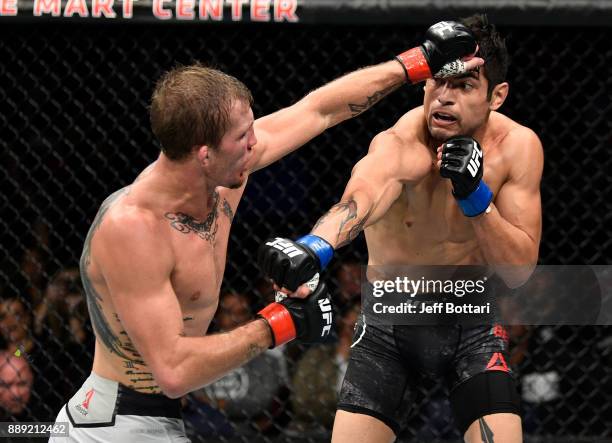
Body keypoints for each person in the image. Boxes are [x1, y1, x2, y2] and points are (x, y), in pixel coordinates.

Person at [50, 21, 483, 442]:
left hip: (157, 415)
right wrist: (280, 323)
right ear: (204, 153)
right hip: (112, 424)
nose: (257, 144)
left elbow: (318, 109)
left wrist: (418, 62)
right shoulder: (134, 228)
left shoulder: (222, 174)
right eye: (244, 137)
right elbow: (174, 370)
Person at [258, 15, 543, 443]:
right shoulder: (401, 143)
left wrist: (475, 197)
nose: (443, 99)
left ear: (496, 96)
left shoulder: (517, 147)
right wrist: (316, 246)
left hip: (470, 323)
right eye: (436, 82)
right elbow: (360, 200)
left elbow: (519, 270)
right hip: (389, 326)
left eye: (464, 86)